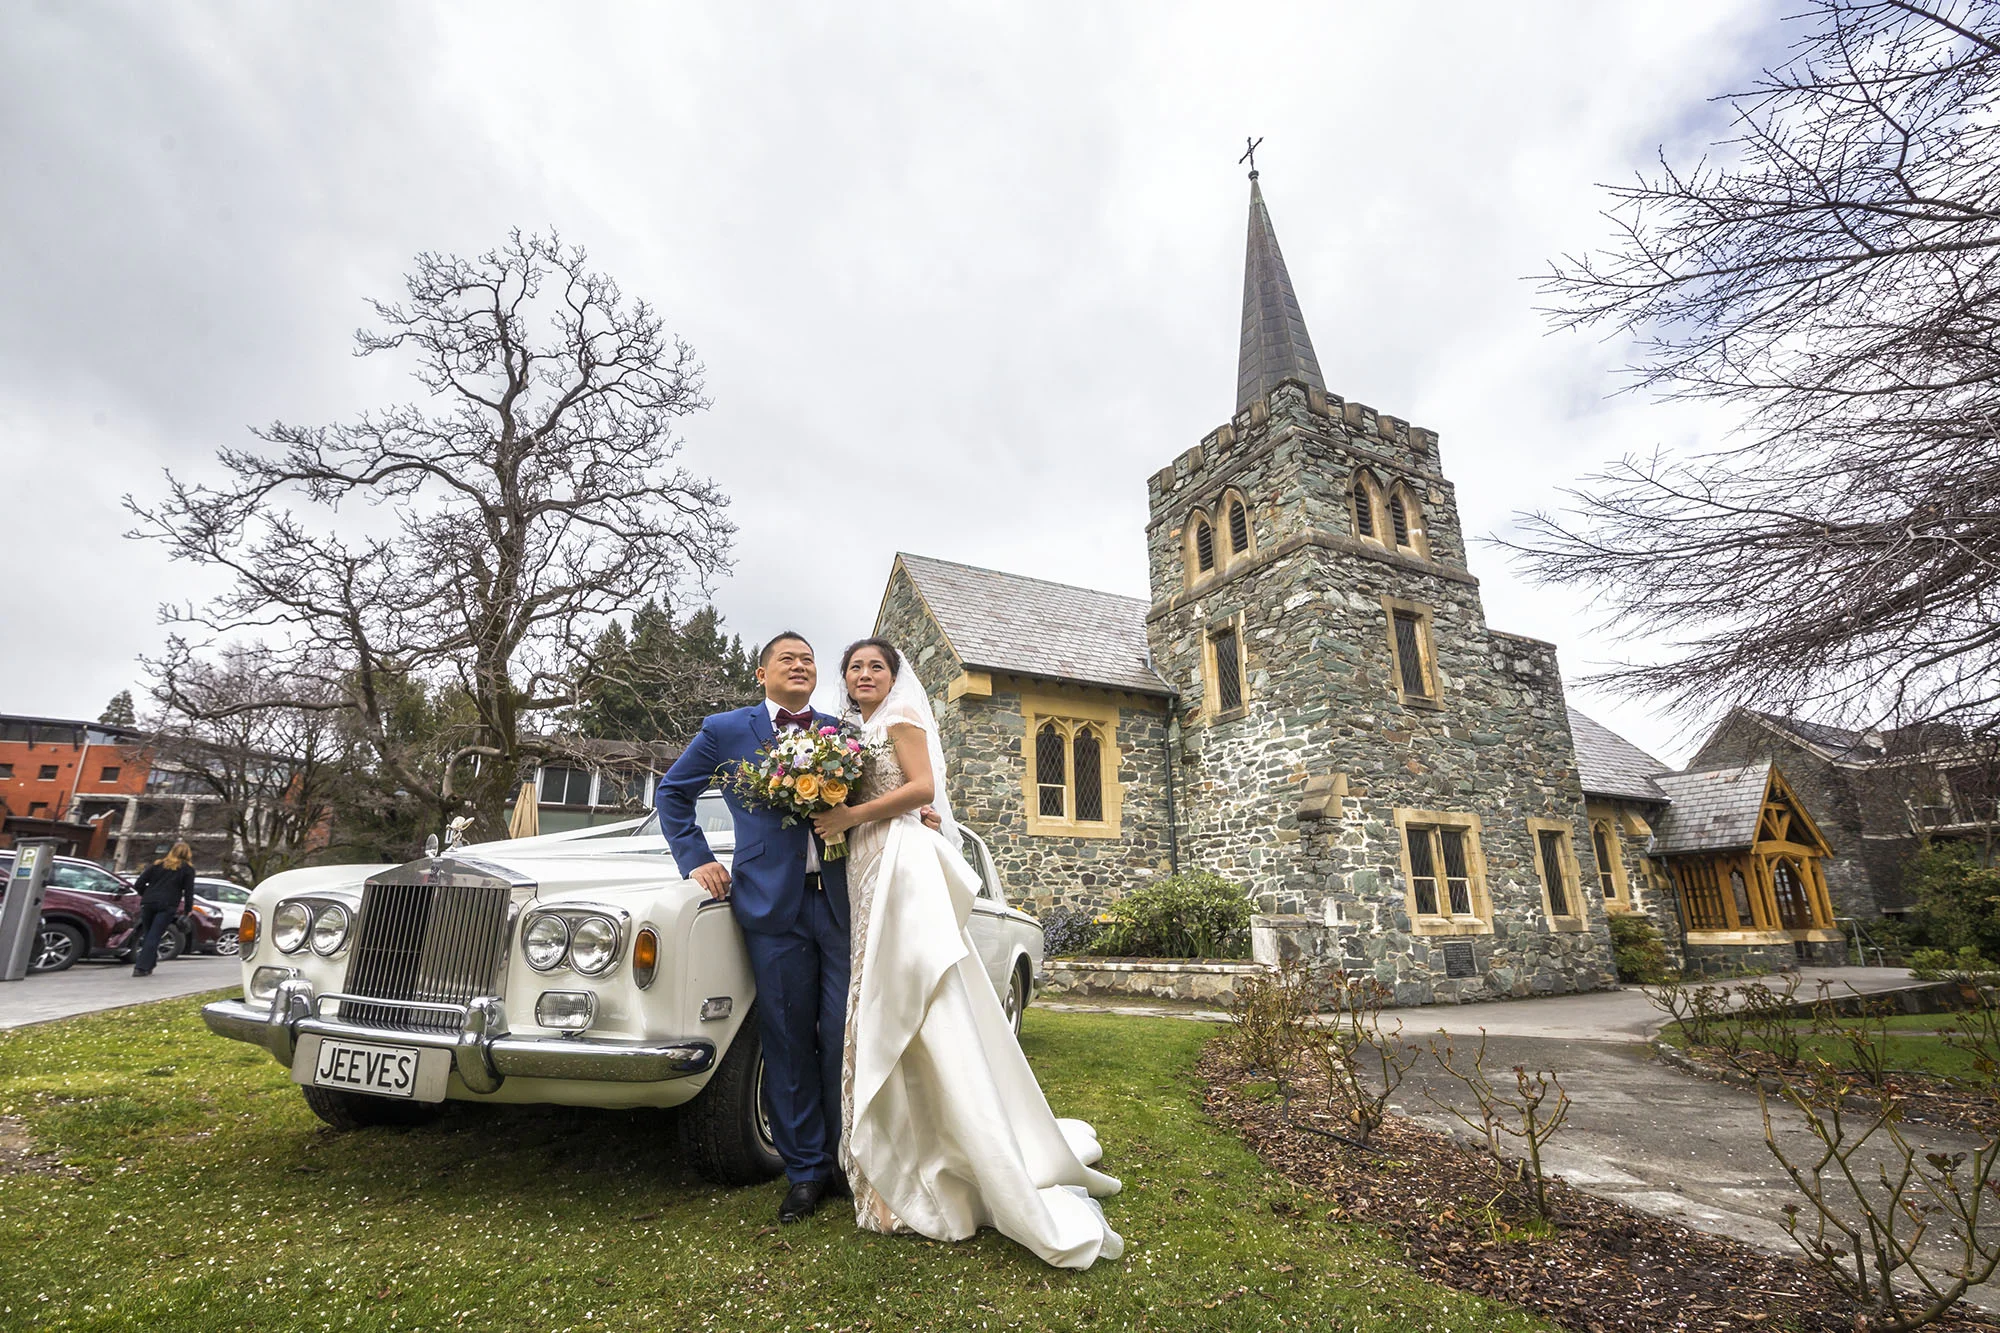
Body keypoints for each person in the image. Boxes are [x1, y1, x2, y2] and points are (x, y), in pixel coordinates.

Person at [812, 638, 1124, 1270]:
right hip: (866, 863)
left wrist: (852, 817)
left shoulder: (899, 720)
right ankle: (895, 1162)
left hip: (900, 859)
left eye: (877, 666)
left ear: (894, 679)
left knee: (913, 990)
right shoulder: (845, 734)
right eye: (855, 667)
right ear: (844, 680)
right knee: (879, 992)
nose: (865, 674)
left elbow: (923, 786)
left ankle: (946, 1163)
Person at [655, 632, 857, 1225]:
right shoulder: (726, 730)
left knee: (843, 1034)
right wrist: (695, 859)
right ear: (762, 672)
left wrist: (915, 812)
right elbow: (673, 792)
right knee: (789, 1037)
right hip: (771, 908)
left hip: (843, 904)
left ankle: (847, 1159)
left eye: (809, 660)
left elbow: (872, 799)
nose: (800, 665)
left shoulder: (840, 733)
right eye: (788, 659)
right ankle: (805, 1172)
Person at [130, 841, 196, 977]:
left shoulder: (157, 865)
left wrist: (147, 894)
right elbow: (189, 891)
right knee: (154, 935)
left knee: (148, 934)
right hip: (167, 904)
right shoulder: (187, 869)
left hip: (148, 903)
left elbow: (139, 883)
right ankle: (141, 967)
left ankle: (149, 964)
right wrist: (188, 908)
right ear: (187, 854)